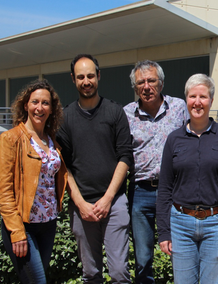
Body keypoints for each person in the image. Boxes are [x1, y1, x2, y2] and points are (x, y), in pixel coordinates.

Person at [156, 74, 218, 284]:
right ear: (186, 99)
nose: (197, 102)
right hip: (181, 224)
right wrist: (164, 231)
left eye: (203, 97)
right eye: (192, 96)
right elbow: (165, 188)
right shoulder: (174, 139)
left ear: (211, 100)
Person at [57, 54, 133, 283]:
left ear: (98, 76)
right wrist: (80, 203)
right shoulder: (65, 117)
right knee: (90, 274)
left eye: (90, 75)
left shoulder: (115, 112)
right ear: (73, 79)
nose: (86, 81)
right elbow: (64, 165)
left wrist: (108, 198)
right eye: (80, 77)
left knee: (119, 272)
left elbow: (125, 156)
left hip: (114, 202)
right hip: (83, 207)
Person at [0, 79, 68, 283]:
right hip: (23, 226)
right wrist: (16, 232)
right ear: (25, 104)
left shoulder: (52, 140)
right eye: (35, 102)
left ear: (52, 109)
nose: (39, 108)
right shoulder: (10, 139)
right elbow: (4, 192)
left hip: (48, 224)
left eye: (45, 103)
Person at [123, 60, 188, 284]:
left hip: (174, 192)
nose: (146, 86)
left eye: (151, 80)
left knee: (181, 253)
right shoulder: (127, 114)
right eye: (141, 82)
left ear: (160, 83)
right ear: (135, 86)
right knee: (143, 258)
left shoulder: (179, 108)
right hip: (140, 193)